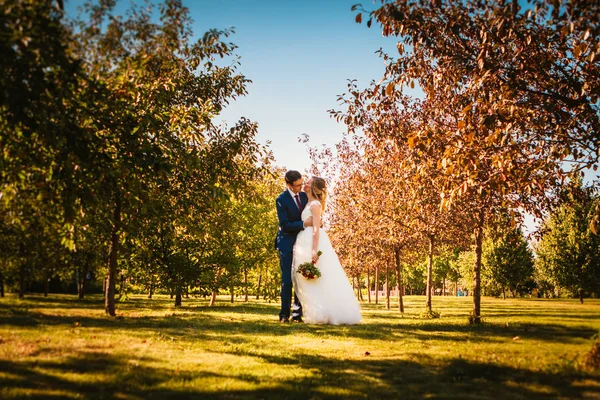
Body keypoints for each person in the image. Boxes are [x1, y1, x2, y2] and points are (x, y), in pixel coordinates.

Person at [292, 177, 362, 324]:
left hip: (313, 242)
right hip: (304, 242)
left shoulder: (315, 205)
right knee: (309, 279)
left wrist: (314, 251)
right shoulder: (308, 202)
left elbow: (316, 229)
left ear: (313, 187)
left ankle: (328, 313)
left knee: (320, 277)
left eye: (308, 183)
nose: (305, 184)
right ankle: (315, 311)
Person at [275, 170, 312, 323]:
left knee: (301, 278)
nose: (300, 187)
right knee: (287, 280)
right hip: (286, 244)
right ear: (289, 185)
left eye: (301, 183)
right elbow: (284, 225)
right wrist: (304, 224)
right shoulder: (281, 200)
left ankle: (297, 314)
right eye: (297, 185)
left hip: (302, 243)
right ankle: (284, 314)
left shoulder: (304, 196)